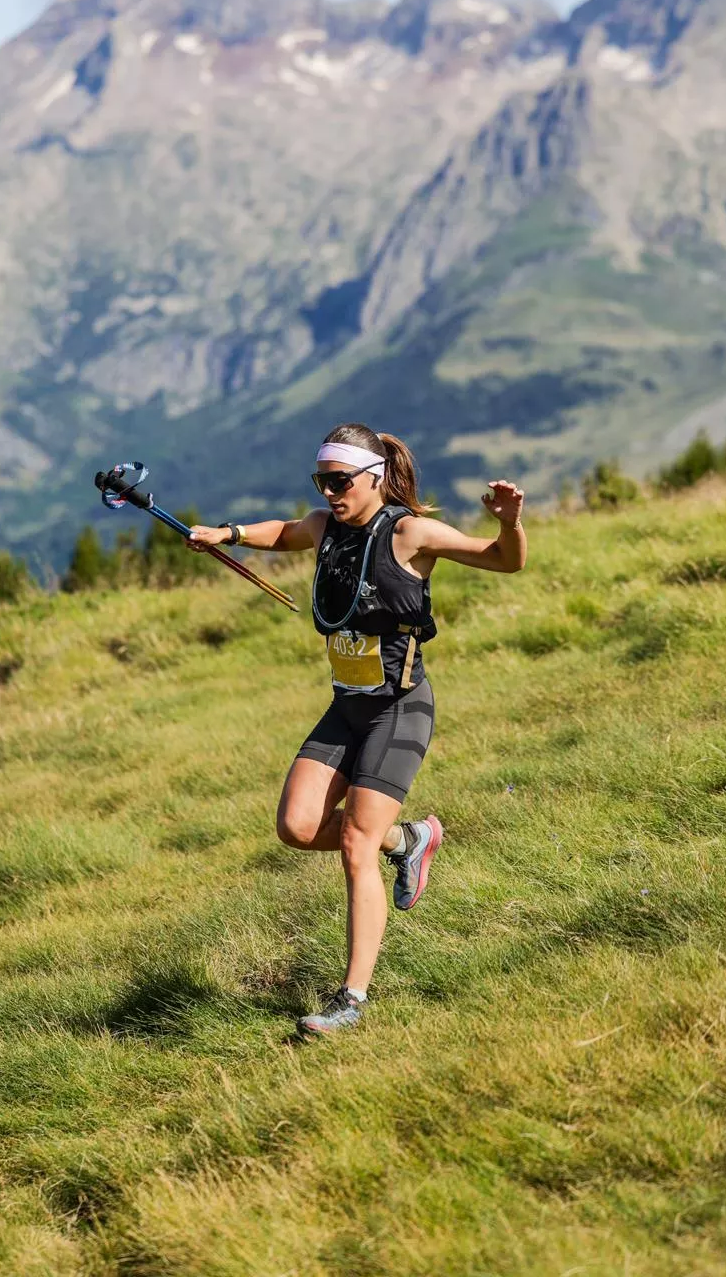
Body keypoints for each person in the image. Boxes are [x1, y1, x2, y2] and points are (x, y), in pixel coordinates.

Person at [188, 423, 526, 1036]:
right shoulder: (326, 526)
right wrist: (228, 534)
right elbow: (287, 533)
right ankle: (410, 842)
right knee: (296, 826)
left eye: (339, 481)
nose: (330, 492)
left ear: (372, 477)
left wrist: (509, 522)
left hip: (398, 708)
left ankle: (351, 1000)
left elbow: (505, 561)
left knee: (354, 846)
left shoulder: (410, 532)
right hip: (345, 707)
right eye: (322, 481)